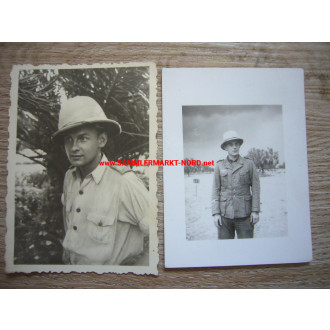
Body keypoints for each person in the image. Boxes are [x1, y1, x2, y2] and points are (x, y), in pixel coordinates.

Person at [53, 96, 150, 265]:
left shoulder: (124, 182)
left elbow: (162, 236)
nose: (74, 147)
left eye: (83, 138)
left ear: (101, 140)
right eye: (68, 140)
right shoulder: (70, 177)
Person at [211, 130, 260, 239]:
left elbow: (256, 189)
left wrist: (255, 211)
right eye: (230, 144)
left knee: (247, 248)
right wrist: (216, 213)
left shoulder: (249, 164)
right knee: (225, 248)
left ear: (239, 145)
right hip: (224, 215)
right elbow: (215, 190)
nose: (234, 147)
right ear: (225, 147)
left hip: (245, 215)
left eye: (236, 144)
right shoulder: (219, 166)